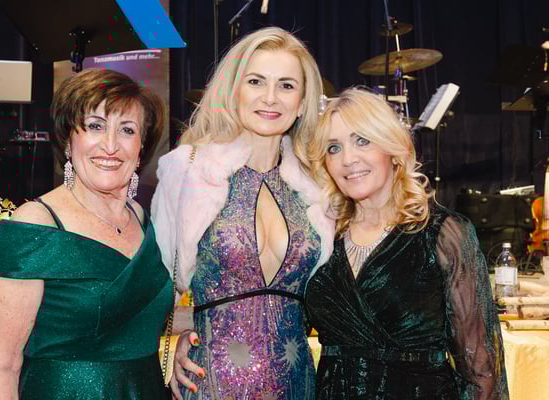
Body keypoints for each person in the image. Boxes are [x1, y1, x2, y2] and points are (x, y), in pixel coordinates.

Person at [151, 27, 335, 399]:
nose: (270, 97)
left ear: (302, 102)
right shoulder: (187, 172)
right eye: (256, 81)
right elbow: (155, 291)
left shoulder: (320, 187)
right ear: (234, 91)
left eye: (286, 85)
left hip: (296, 385)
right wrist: (184, 335)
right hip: (212, 384)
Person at [305, 87, 510, 399]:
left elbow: (480, 368)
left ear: (393, 148)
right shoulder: (322, 239)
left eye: (362, 141)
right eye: (334, 148)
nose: (348, 159)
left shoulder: (442, 234)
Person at [0, 68, 171, 400]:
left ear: (141, 148)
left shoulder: (144, 220)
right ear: (69, 139)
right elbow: (1, 370)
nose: (110, 145)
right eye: (95, 126)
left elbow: (141, 316)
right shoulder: (36, 226)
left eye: (127, 130)